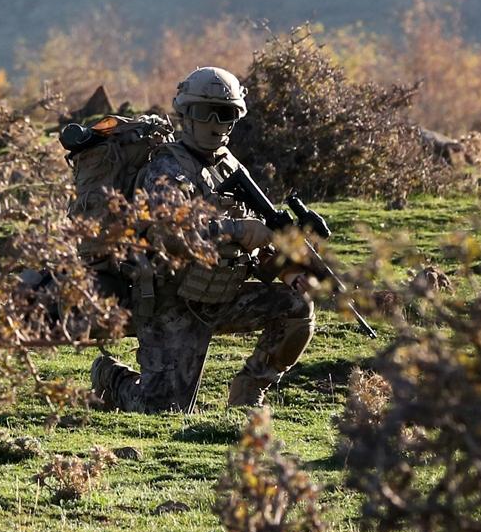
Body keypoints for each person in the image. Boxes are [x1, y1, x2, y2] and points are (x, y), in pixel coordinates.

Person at [90, 66, 315, 413]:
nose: (213, 121)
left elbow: (259, 237)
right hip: (170, 300)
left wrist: (290, 272)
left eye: (224, 113)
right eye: (201, 111)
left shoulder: (228, 167)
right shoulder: (165, 168)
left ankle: (249, 391)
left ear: (235, 118)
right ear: (185, 114)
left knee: (296, 308)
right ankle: (112, 379)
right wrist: (237, 231)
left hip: (221, 292)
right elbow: (170, 232)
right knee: (163, 409)